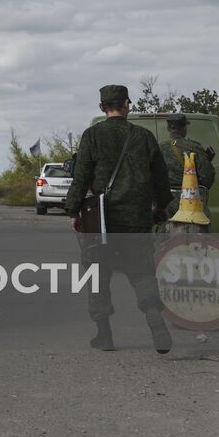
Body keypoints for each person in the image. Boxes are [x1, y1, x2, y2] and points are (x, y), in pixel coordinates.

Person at [65, 85, 173, 353]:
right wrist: (161, 208)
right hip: (136, 217)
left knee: (97, 273)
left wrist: (73, 211)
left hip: (101, 219)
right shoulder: (144, 137)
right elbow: (160, 178)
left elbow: (81, 176)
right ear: (127, 105)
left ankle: (104, 335)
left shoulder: (92, 136)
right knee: (142, 271)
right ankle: (152, 314)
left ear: (102, 107)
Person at [159, 114, 215, 231]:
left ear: (169, 129)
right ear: (184, 128)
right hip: (192, 199)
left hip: (166, 200)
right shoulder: (195, 147)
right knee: (198, 233)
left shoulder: (159, 148)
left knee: (164, 232)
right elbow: (207, 177)